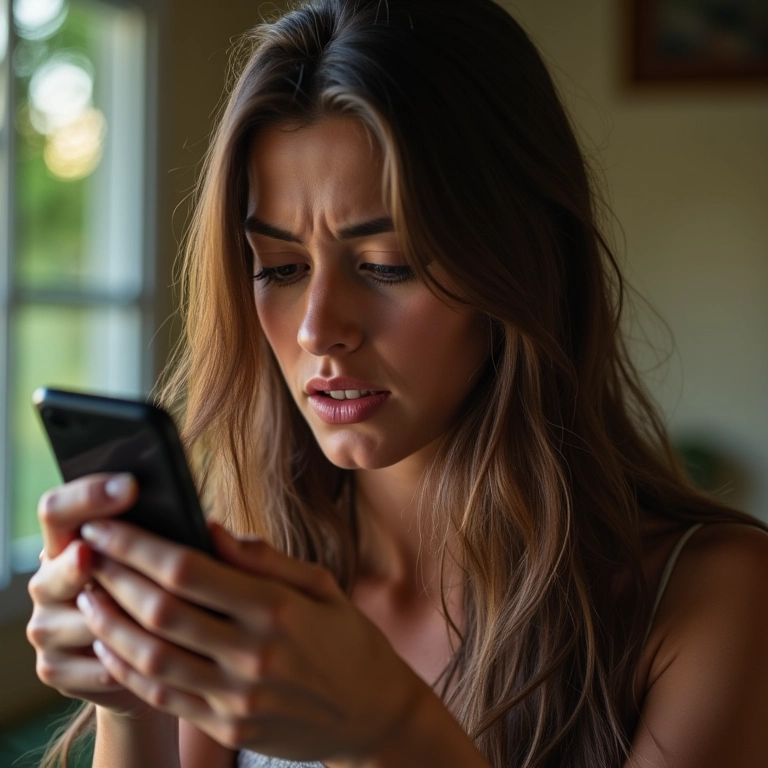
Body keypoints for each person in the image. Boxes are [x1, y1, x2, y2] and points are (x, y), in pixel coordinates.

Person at [25, 1, 768, 766]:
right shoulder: (251, 580)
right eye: (280, 268)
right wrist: (130, 701)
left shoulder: (710, 597)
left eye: (386, 264)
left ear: (521, 262)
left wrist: (388, 729)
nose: (318, 328)